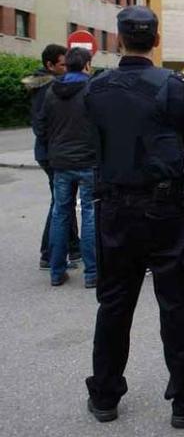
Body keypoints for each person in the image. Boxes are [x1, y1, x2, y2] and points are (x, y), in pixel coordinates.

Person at [83, 6, 184, 427]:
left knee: (113, 303)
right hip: (162, 207)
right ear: (156, 41)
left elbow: (92, 138)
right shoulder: (173, 85)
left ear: (118, 39)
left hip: (114, 206)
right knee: (176, 304)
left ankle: (105, 394)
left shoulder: (97, 87)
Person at [32, 47, 98, 288]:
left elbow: (40, 126)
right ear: (86, 65)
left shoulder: (51, 91)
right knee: (90, 214)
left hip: (60, 162)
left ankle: (56, 271)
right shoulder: (92, 89)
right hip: (88, 161)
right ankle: (92, 273)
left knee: (61, 213)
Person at [23, 44, 81, 270]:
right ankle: (48, 254)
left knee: (63, 201)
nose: (67, 68)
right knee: (61, 203)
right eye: (62, 65)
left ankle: (73, 248)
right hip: (52, 154)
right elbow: (40, 126)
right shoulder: (46, 87)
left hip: (55, 152)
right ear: (50, 65)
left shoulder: (50, 83)